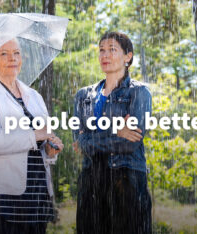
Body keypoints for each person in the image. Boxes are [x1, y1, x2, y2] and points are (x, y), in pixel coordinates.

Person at [0, 39, 64, 234]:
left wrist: (49, 149)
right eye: (4, 53)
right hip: (0, 197)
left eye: (17, 53)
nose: (12, 58)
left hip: (36, 195)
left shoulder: (34, 96)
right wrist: (34, 135)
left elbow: (40, 142)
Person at [73, 32, 152, 234]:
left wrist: (91, 138)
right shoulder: (84, 96)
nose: (105, 55)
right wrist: (117, 130)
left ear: (128, 57)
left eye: (112, 50)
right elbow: (78, 142)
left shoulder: (138, 92)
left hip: (127, 180)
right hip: (91, 181)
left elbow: (130, 143)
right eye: (101, 50)